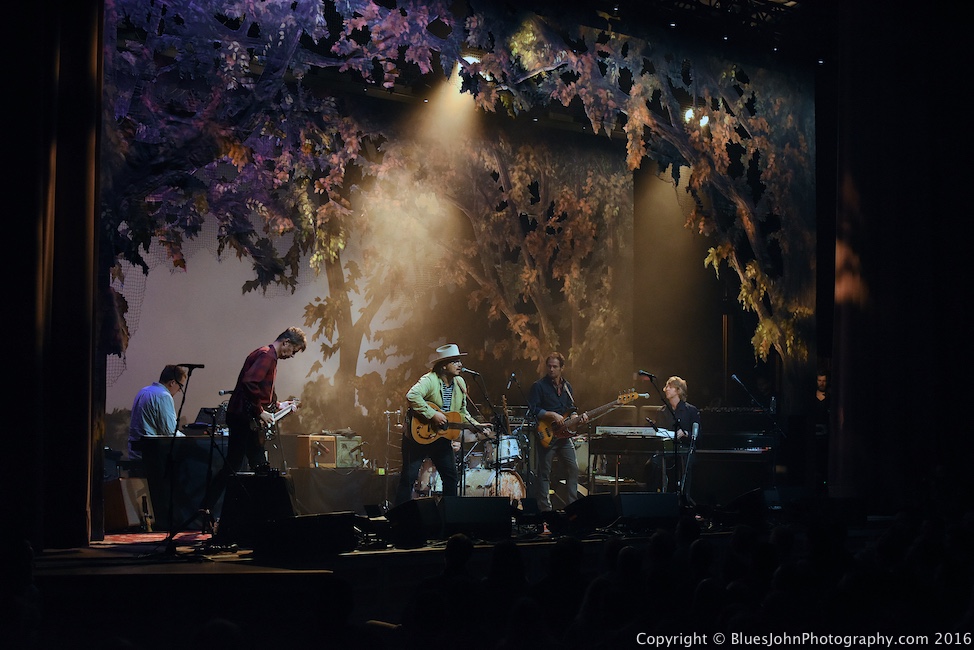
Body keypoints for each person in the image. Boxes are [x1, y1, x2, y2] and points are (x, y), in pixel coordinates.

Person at [205, 327, 306, 512]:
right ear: (286, 342)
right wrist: (260, 412)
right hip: (243, 417)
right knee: (240, 464)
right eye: (294, 350)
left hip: (246, 417)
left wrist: (278, 406)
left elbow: (261, 391)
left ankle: (212, 508)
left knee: (254, 464)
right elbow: (249, 382)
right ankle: (207, 508)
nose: (292, 355)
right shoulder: (267, 355)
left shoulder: (268, 356)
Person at [395, 343, 493, 506]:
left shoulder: (460, 383)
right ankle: (398, 518)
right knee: (408, 478)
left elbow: (462, 412)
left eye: (459, 361)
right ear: (443, 366)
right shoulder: (430, 380)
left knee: (450, 477)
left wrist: (477, 425)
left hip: (440, 439)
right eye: (455, 361)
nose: (460, 365)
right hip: (417, 438)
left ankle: (448, 515)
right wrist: (433, 414)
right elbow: (412, 396)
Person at [529, 352, 588, 512]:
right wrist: (551, 414)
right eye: (549, 366)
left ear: (562, 368)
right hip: (547, 434)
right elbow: (533, 409)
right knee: (544, 473)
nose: (551, 369)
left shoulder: (567, 387)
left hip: (564, 436)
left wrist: (576, 416)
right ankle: (545, 510)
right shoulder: (539, 386)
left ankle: (572, 507)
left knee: (573, 468)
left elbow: (571, 408)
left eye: (555, 367)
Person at [644, 375, 701, 493]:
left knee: (686, 466)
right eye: (666, 386)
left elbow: (698, 435)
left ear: (678, 390)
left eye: (670, 386)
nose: (666, 389)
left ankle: (685, 498)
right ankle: (654, 497)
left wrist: (685, 433)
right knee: (651, 464)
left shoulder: (691, 410)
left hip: (684, 451)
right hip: (667, 451)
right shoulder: (662, 411)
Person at [127, 364, 187, 466]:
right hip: (151, 456)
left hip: (135, 453)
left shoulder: (143, 391)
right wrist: (190, 439)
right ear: (172, 383)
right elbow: (169, 432)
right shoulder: (164, 396)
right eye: (180, 386)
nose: (179, 391)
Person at [808, 370, 830, 493]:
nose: (821, 383)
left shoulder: (831, 398)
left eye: (824, 381)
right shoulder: (810, 398)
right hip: (813, 437)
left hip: (826, 438)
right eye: (819, 380)